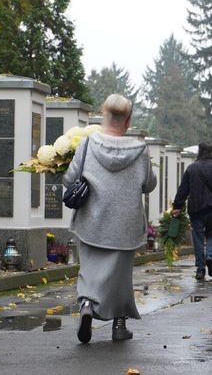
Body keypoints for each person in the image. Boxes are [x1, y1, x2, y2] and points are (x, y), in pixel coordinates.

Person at [64, 94, 156, 344]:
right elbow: (149, 184)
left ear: (104, 116)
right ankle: (119, 325)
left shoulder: (87, 144)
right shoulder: (140, 149)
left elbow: (69, 178)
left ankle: (86, 306)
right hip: (125, 226)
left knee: (89, 270)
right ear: (127, 120)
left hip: (92, 220)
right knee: (120, 277)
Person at [172, 142, 212, 280]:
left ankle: (200, 269)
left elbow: (183, 189)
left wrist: (177, 207)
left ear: (200, 152)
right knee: (211, 234)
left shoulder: (192, 168)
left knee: (198, 238)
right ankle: (210, 256)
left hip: (196, 208)